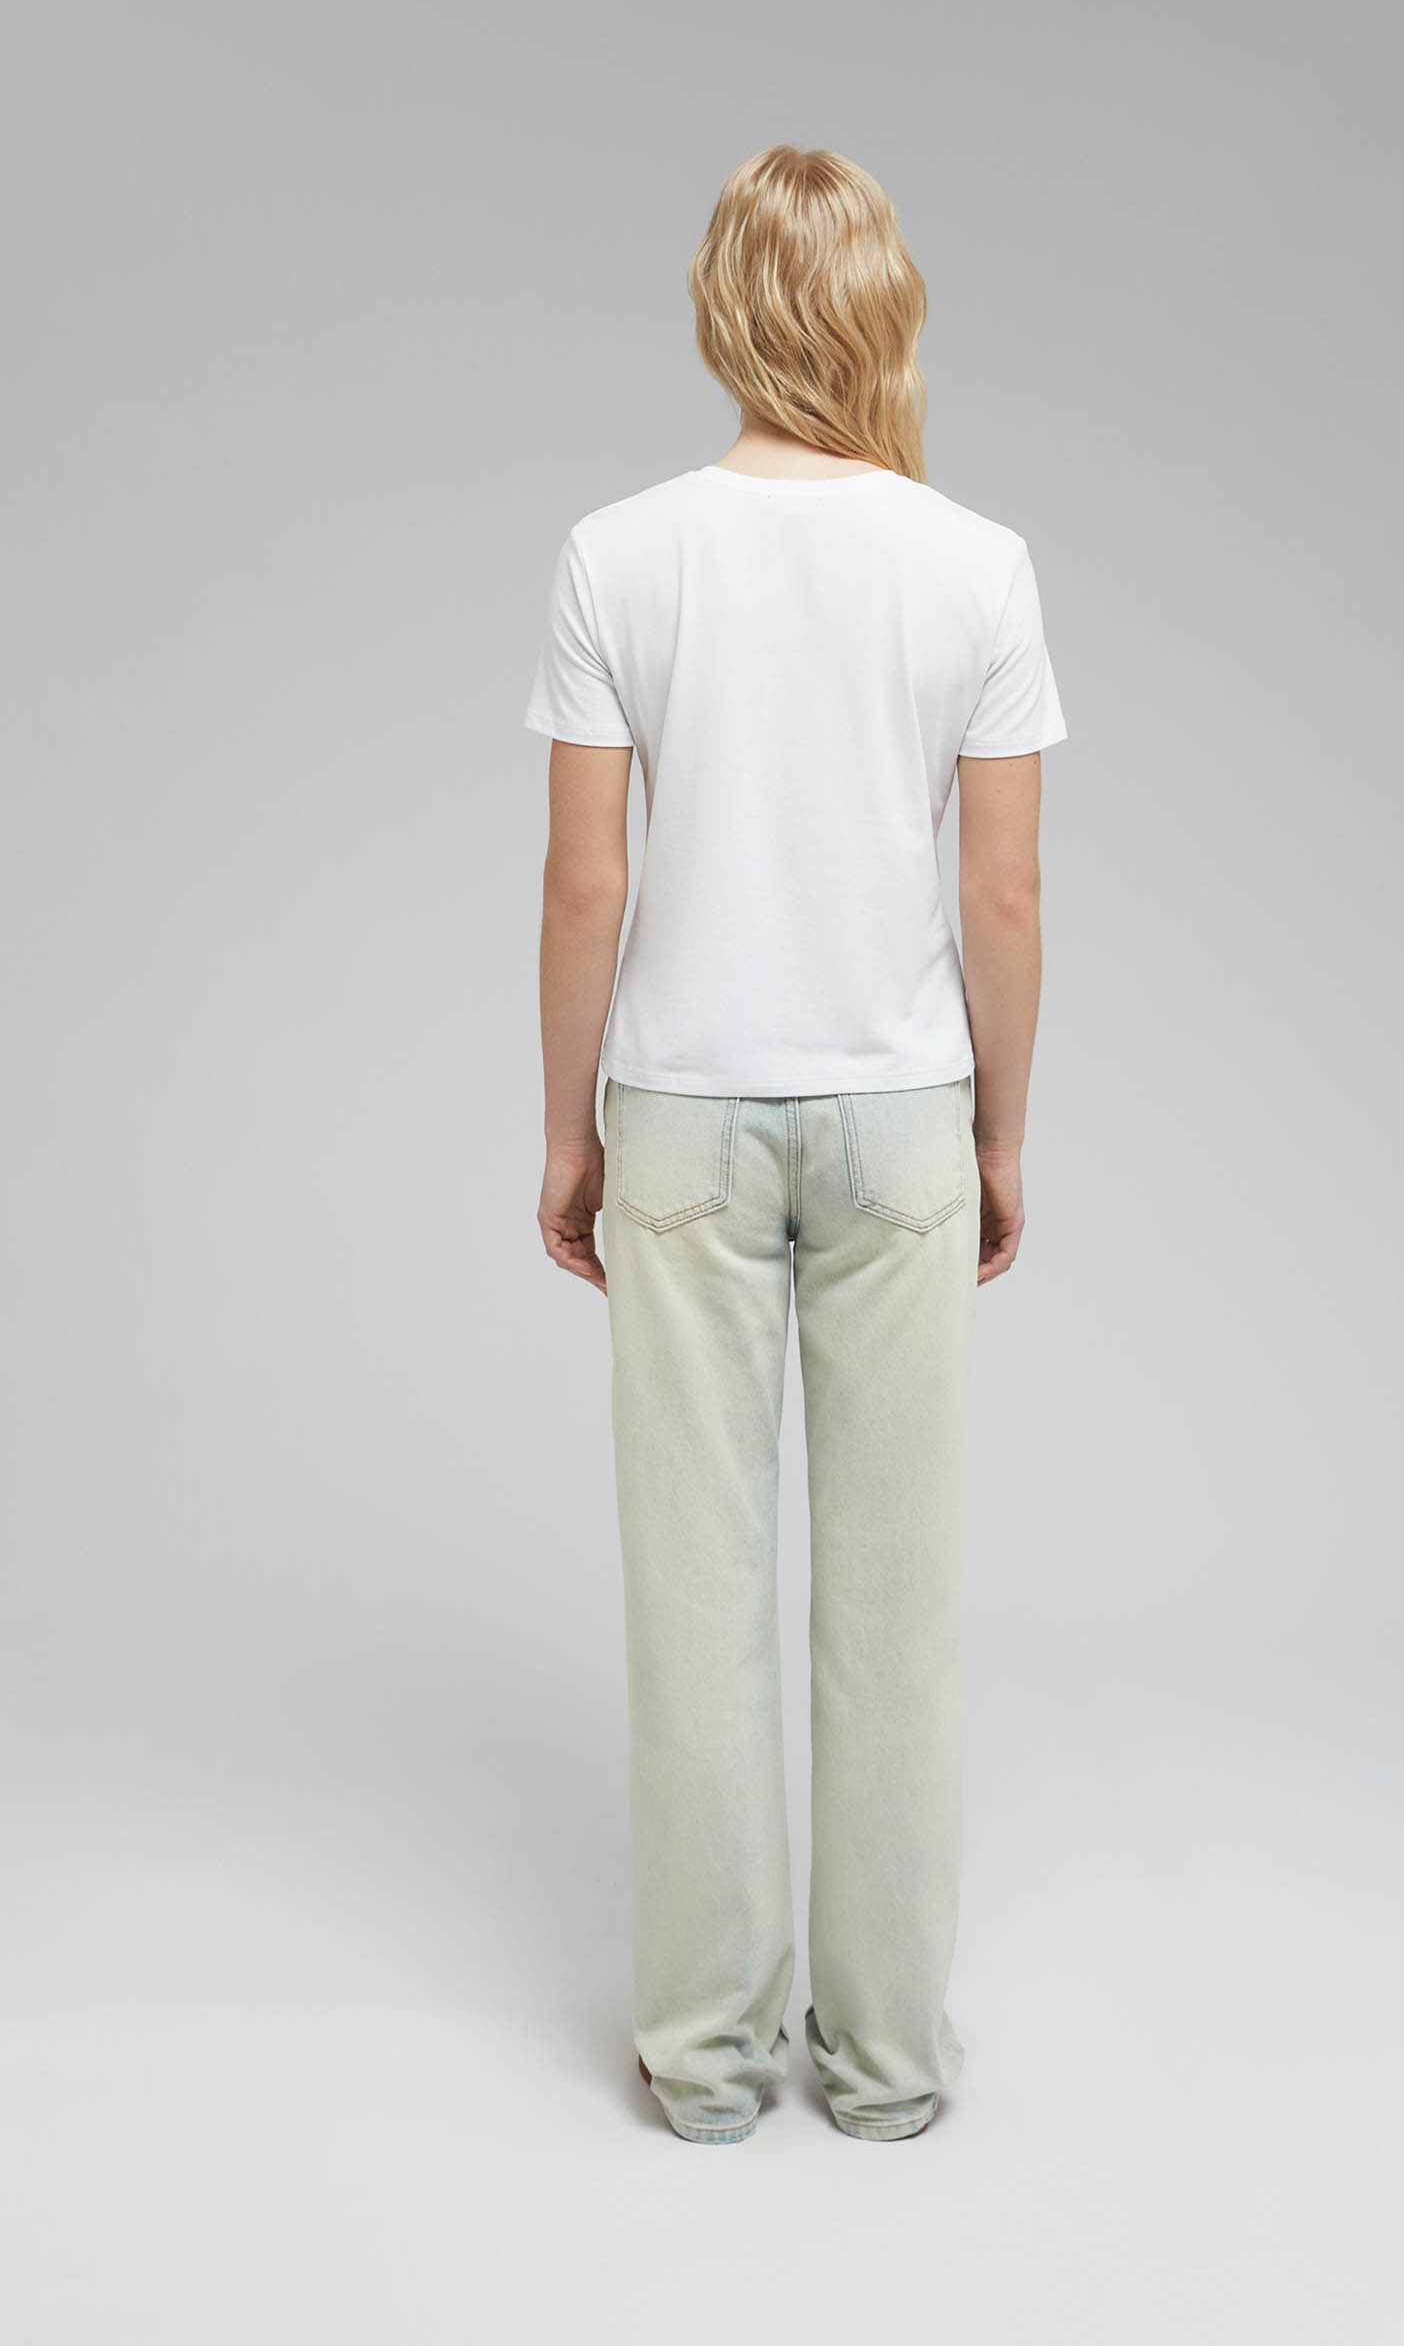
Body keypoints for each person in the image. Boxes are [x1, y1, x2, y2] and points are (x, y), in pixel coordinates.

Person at [525, 143, 1067, 2144]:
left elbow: (586, 885)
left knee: (695, 1601)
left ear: (720, 311)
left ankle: (703, 2061)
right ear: (883, 310)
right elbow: (1000, 900)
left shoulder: (618, 554)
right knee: (894, 1610)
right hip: (901, 1112)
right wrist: (1001, 1132)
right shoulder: (975, 565)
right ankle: (890, 2065)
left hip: (676, 1108)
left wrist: (566, 1131)